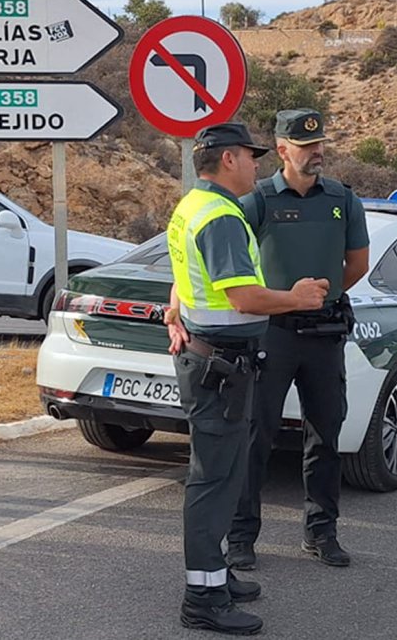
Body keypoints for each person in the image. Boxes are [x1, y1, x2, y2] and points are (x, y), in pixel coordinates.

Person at [164, 122, 329, 635]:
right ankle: (202, 597)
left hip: (212, 359)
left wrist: (177, 312)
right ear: (229, 158)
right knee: (213, 482)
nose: (256, 165)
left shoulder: (196, 205)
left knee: (222, 474)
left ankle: (215, 578)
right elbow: (241, 296)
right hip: (221, 366)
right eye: (251, 157)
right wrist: (296, 299)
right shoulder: (220, 217)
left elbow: (189, 278)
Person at [225, 109, 370, 571]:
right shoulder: (258, 201)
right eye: (306, 145)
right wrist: (288, 300)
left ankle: (322, 532)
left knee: (326, 435)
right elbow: (234, 265)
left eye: (320, 143)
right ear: (283, 149)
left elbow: (356, 265)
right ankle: (243, 536)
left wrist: (320, 298)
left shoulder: (342, 200)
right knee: (256, 437)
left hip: (324, 335)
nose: (317, 152)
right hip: (273, 334)